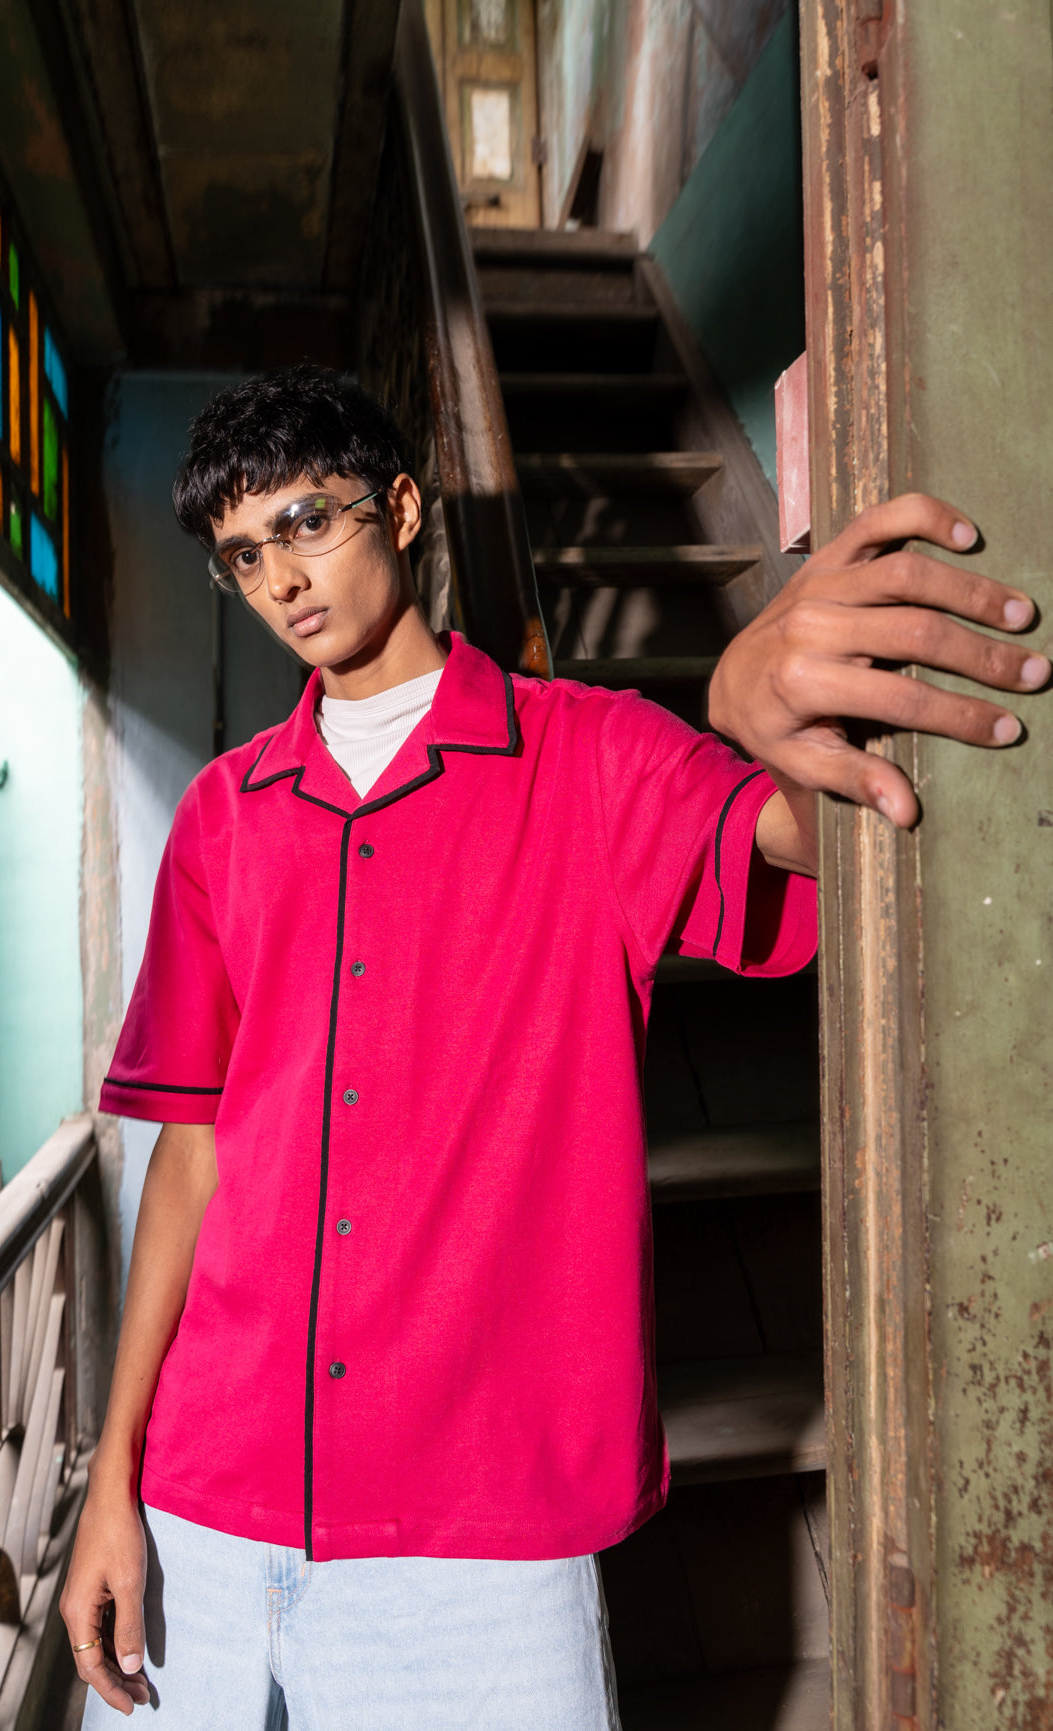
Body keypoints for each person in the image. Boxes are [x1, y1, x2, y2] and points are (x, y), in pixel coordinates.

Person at [61, 366, 1047, 1728]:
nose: (280, 577)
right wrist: (112, 1480)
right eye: (242, 554)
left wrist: (761, 720)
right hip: (206, 1503)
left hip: (481, 1531)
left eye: (307, 523)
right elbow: (187, 1160)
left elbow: (828, 856)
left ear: (400, 508)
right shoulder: (224, 820)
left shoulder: (591, 757)